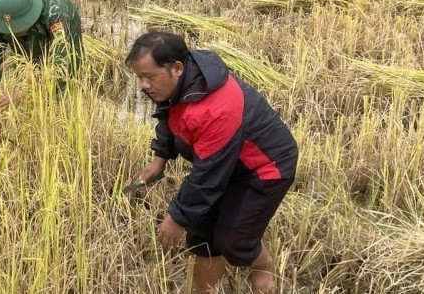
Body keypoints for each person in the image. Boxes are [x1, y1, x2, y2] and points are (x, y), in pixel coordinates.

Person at [124, 31, 297, 294]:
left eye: (149, 77)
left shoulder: (216, 108)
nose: (144, 85)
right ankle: (202, 290)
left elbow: (208, 176)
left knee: (234, 240)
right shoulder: (177, 85)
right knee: (202, 232)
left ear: (177, 68)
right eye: (139, 77)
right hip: (227, 164)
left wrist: (177, 216)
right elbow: (167, 116)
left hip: (264, 167)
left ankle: (262, 266)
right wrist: (160, 157)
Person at [0, 0, 82, 140]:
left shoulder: (56, 13)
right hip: (32, 28)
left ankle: (54, 127)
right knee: (26, 65)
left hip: (62, 26)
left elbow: (62, 63)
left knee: (63, 81)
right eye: (10, 30)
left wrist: (23, 92)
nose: (14, 32)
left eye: (18, 27)